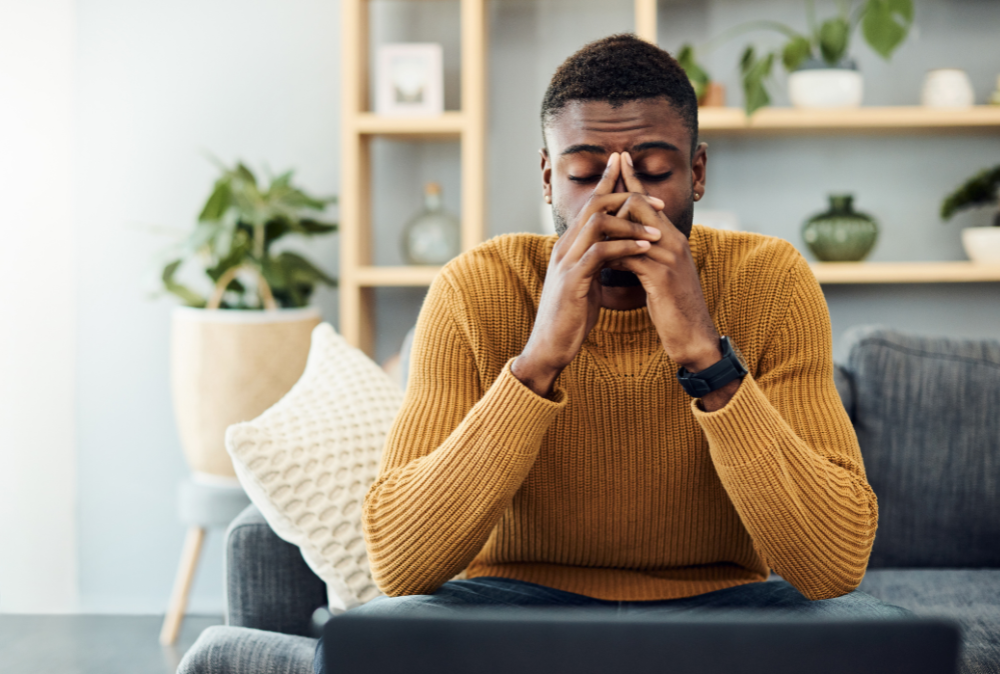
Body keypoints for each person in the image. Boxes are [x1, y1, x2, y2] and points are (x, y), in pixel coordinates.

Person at [315, 32, 908, 674]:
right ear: (548, 177)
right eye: (583, 174)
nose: (620, 203)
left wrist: (706, 358)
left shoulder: (771, 281)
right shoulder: (474, 288)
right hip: (509, 605)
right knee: (372, 640)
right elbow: (401, 564)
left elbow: (834, 566)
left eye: (654, 172)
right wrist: (538, 360)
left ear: (698, 172)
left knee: (884, 640)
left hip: (725, 604)